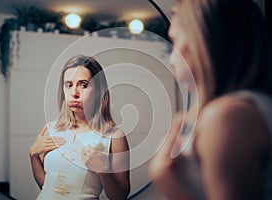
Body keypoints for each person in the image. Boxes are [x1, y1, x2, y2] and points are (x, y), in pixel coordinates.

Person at [149, 0, 272, 200]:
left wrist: (165, 180)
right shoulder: (235, 111)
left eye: (175, 40)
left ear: (203, 39)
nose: (171, 57)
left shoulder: (230, 116)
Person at [29, 54, 130, 200]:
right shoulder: (50, 129)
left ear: (98, 91)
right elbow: (47, 186)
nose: (74, 93)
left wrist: (103, 170)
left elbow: (120, 196)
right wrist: (33, 156)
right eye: (68, 85)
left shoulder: (114, 137)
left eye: (83, 85)